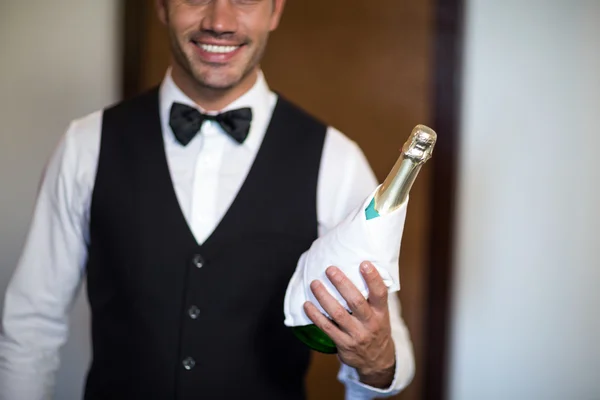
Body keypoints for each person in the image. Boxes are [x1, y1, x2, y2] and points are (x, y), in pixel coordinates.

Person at [0, 0, 415, 399]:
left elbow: (387, 347)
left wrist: (376, 360)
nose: (220, 20)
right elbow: (30, 326)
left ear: (276, 9)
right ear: (161, 6)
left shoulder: (336, 160)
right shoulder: (85, 145)